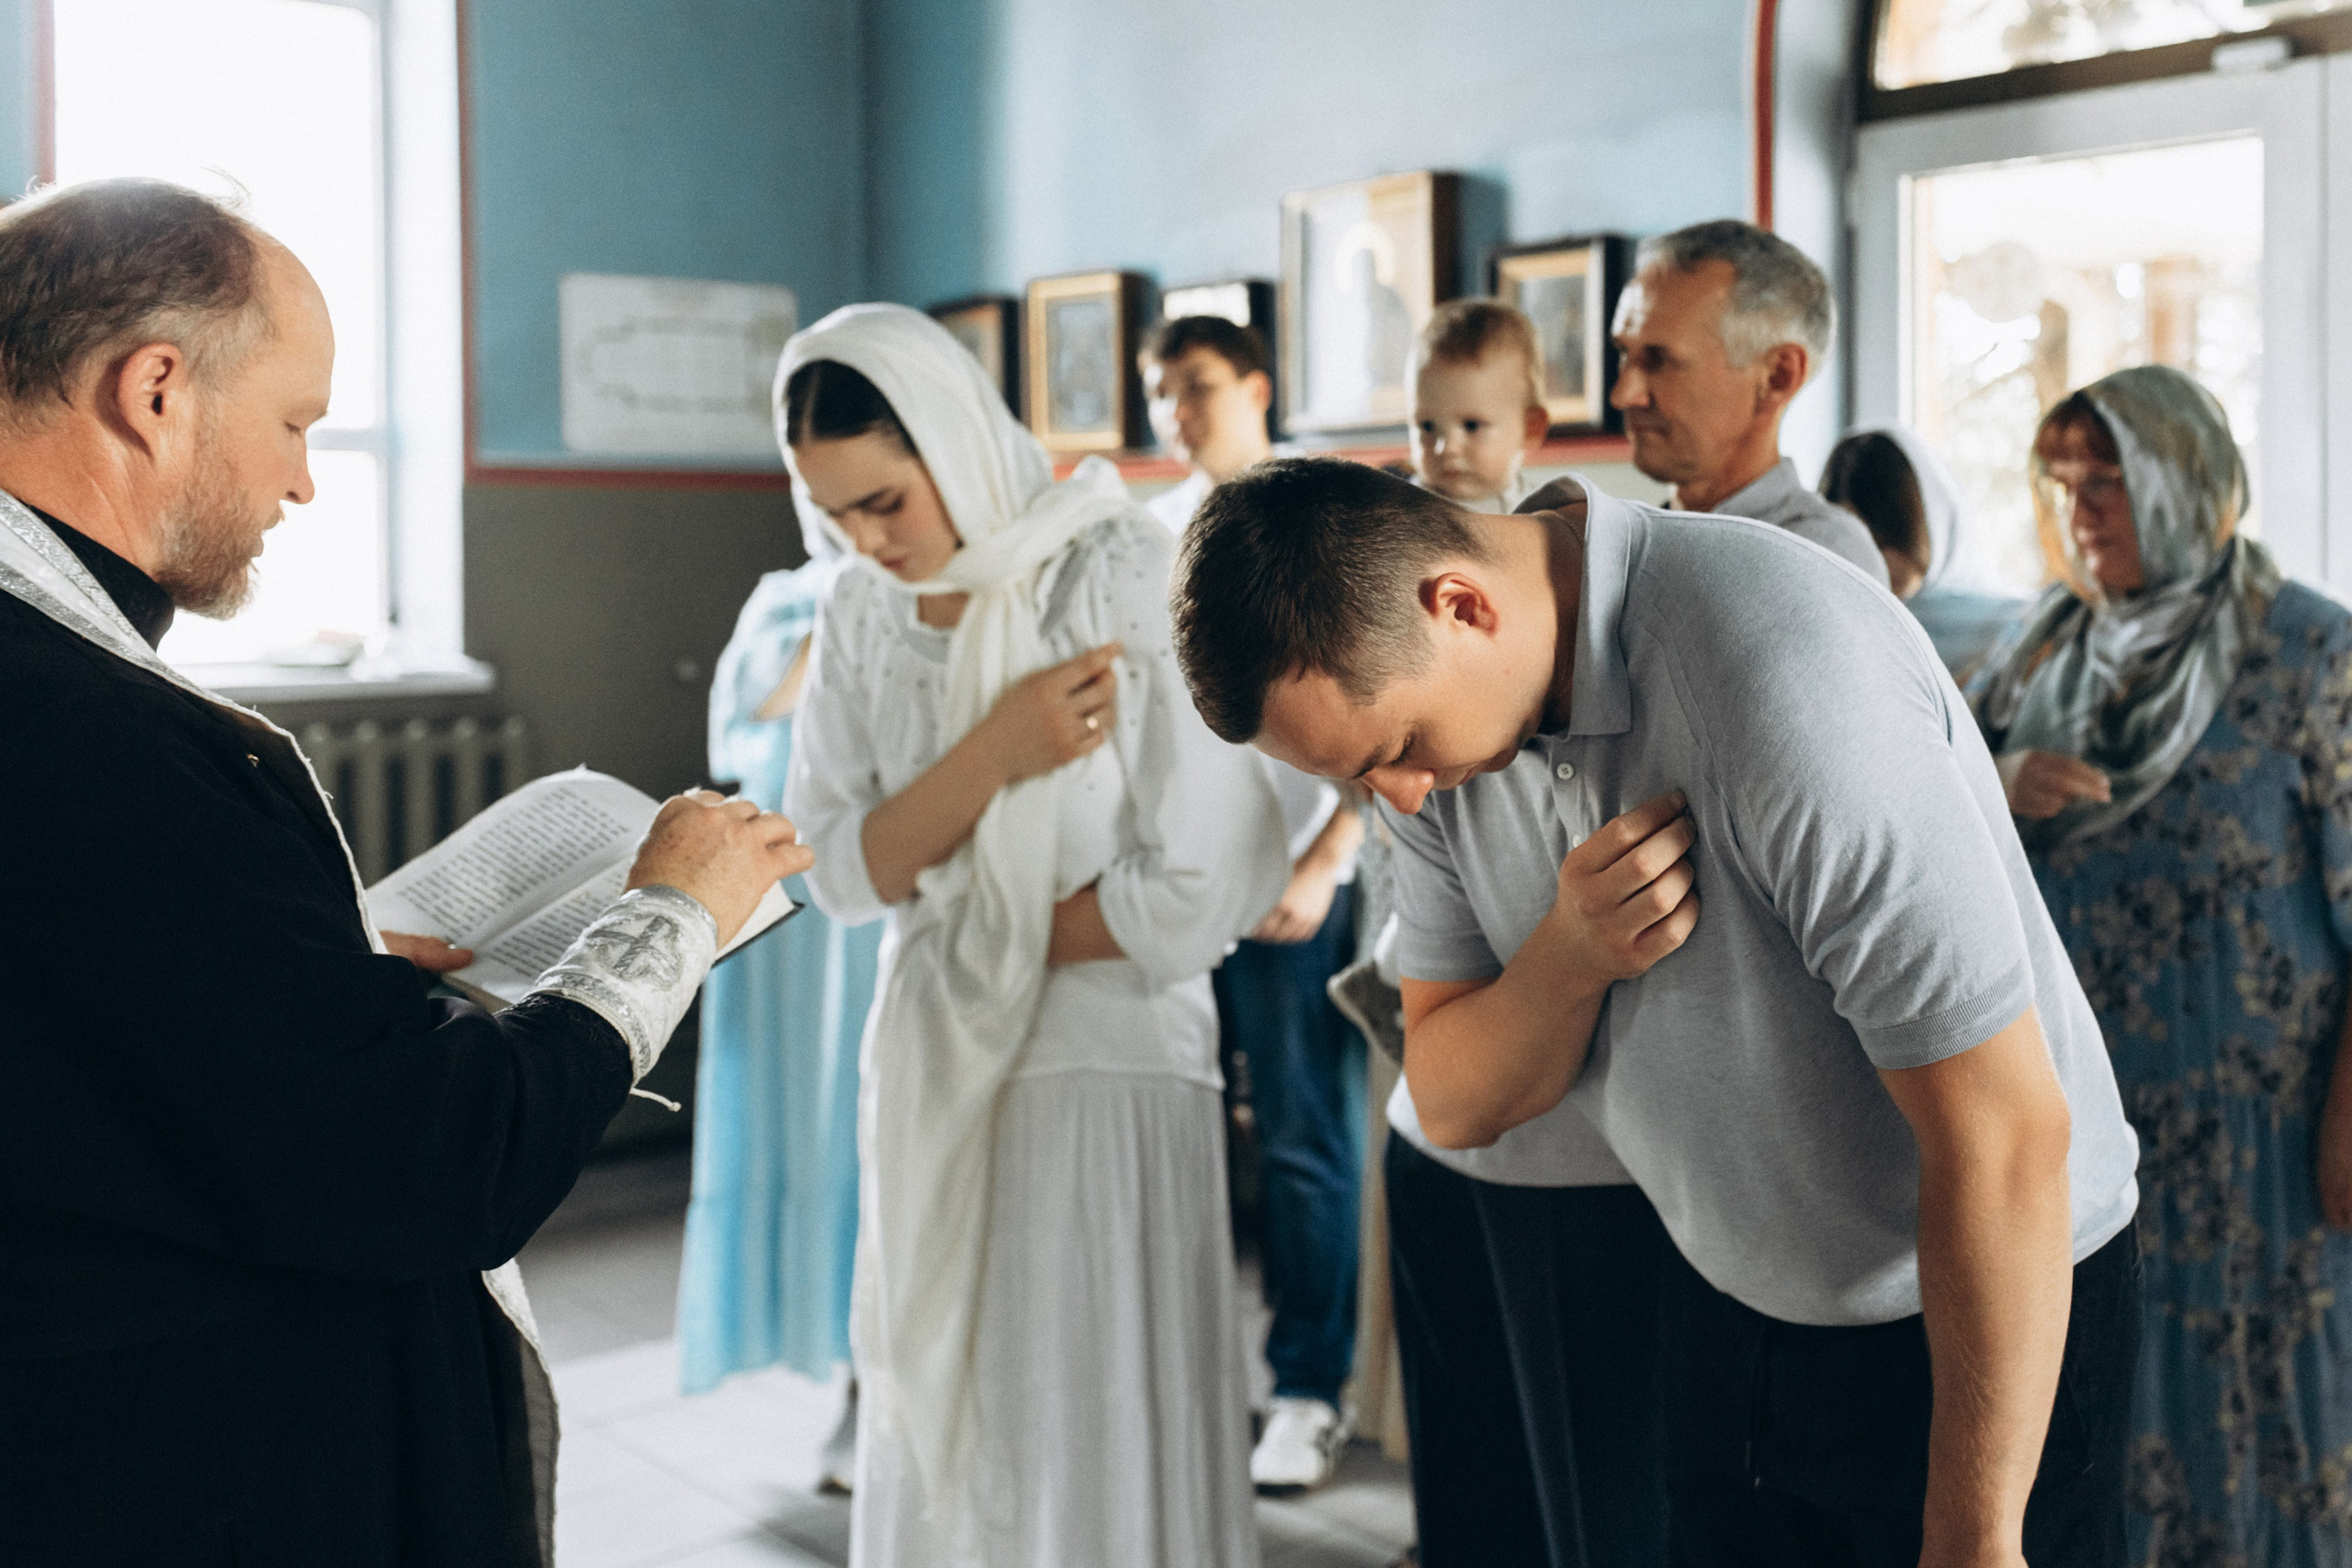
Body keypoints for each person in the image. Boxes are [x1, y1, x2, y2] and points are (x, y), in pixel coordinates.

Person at [0, 178, 805, 1567]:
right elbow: (436, 1162)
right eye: (294, 422)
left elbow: (117, 1020)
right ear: (156, 391)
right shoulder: (89, 732)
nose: (303, 480)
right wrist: (672, 911)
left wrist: (322, 976)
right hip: (178, 1463)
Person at [1170, 455, 2147, 1568]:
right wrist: (1566, 959)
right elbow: (1450, 1101)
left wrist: (1976, 1539)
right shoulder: (1436, 754)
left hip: (1982, 1301)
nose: (1396, 795)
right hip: (1727, 1296)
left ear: (1460, 605)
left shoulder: (1776, 670)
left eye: (1394, 749)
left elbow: (2003, 1135)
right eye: (1359, 777)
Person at [776, 303, 1287, 1566]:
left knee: (1088, 1411)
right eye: (833, 513)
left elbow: (1206, 868)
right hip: (937, 1058)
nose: (865, 540)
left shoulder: (1112, 566)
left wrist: (968, 918)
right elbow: (835, 869)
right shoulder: (861, 607)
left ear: (951, 441)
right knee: (958, 1407)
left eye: (884, 502)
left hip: (1105, 1056)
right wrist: (994, 753)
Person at [1973, 365, 2352, 1567]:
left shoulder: (2311, 653)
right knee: (2104, 1422)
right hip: (2076, 1128)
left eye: (2112, 479)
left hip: (2260, 1145)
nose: (2082, 509)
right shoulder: (2039, 648)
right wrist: (1999, 783)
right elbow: (1930, 827)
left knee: (2263, 1422)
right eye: (2064, 482)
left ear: (2190, 484)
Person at [1142, 309, 1373, 1492]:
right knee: (1182, 1131)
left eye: (1193, 384)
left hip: (1291, 889)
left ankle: (1307, 1390)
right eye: (1158, 392)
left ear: (1255, 386)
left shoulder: (1317, 517)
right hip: (1182, 889)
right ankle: (1190, 1381)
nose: (1173, 411)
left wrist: (1326, 859)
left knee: (1299, 1141)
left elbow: (1376, 710)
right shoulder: (1149, 536)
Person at [676, 537, 883, 1494]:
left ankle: (877, 1385)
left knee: (869, 1135)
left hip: (874, 909)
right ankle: (837, 1365)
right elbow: (742, 728)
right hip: (786, 910)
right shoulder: (781, 599)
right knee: (802, 1128)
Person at [1610, 219, 1889, 587]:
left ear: (1778, 377)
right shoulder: (1622, 545)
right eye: (1624, 354)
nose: (1622, 395)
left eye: (1659, 360)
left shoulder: (1825, 562)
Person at [1820, 424, 2025, 678]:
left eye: (1882, 540)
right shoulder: (1837, 628)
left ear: (1931, 524)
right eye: (1853, 541)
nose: (1869, 558)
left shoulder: (2023, 631)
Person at [1409, 299, 1550, 513]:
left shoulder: (1545, 515)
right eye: (1427, 426)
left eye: (1472, 425)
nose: (1446, 448)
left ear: (1531, 428)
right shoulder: (1396, 514)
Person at [1139, 313, 1275, 530]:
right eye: (1160, 394)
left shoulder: (1318, 504)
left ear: (1257, 392)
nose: (1175, 412)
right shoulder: (1155, 523)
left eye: (1198, 388)